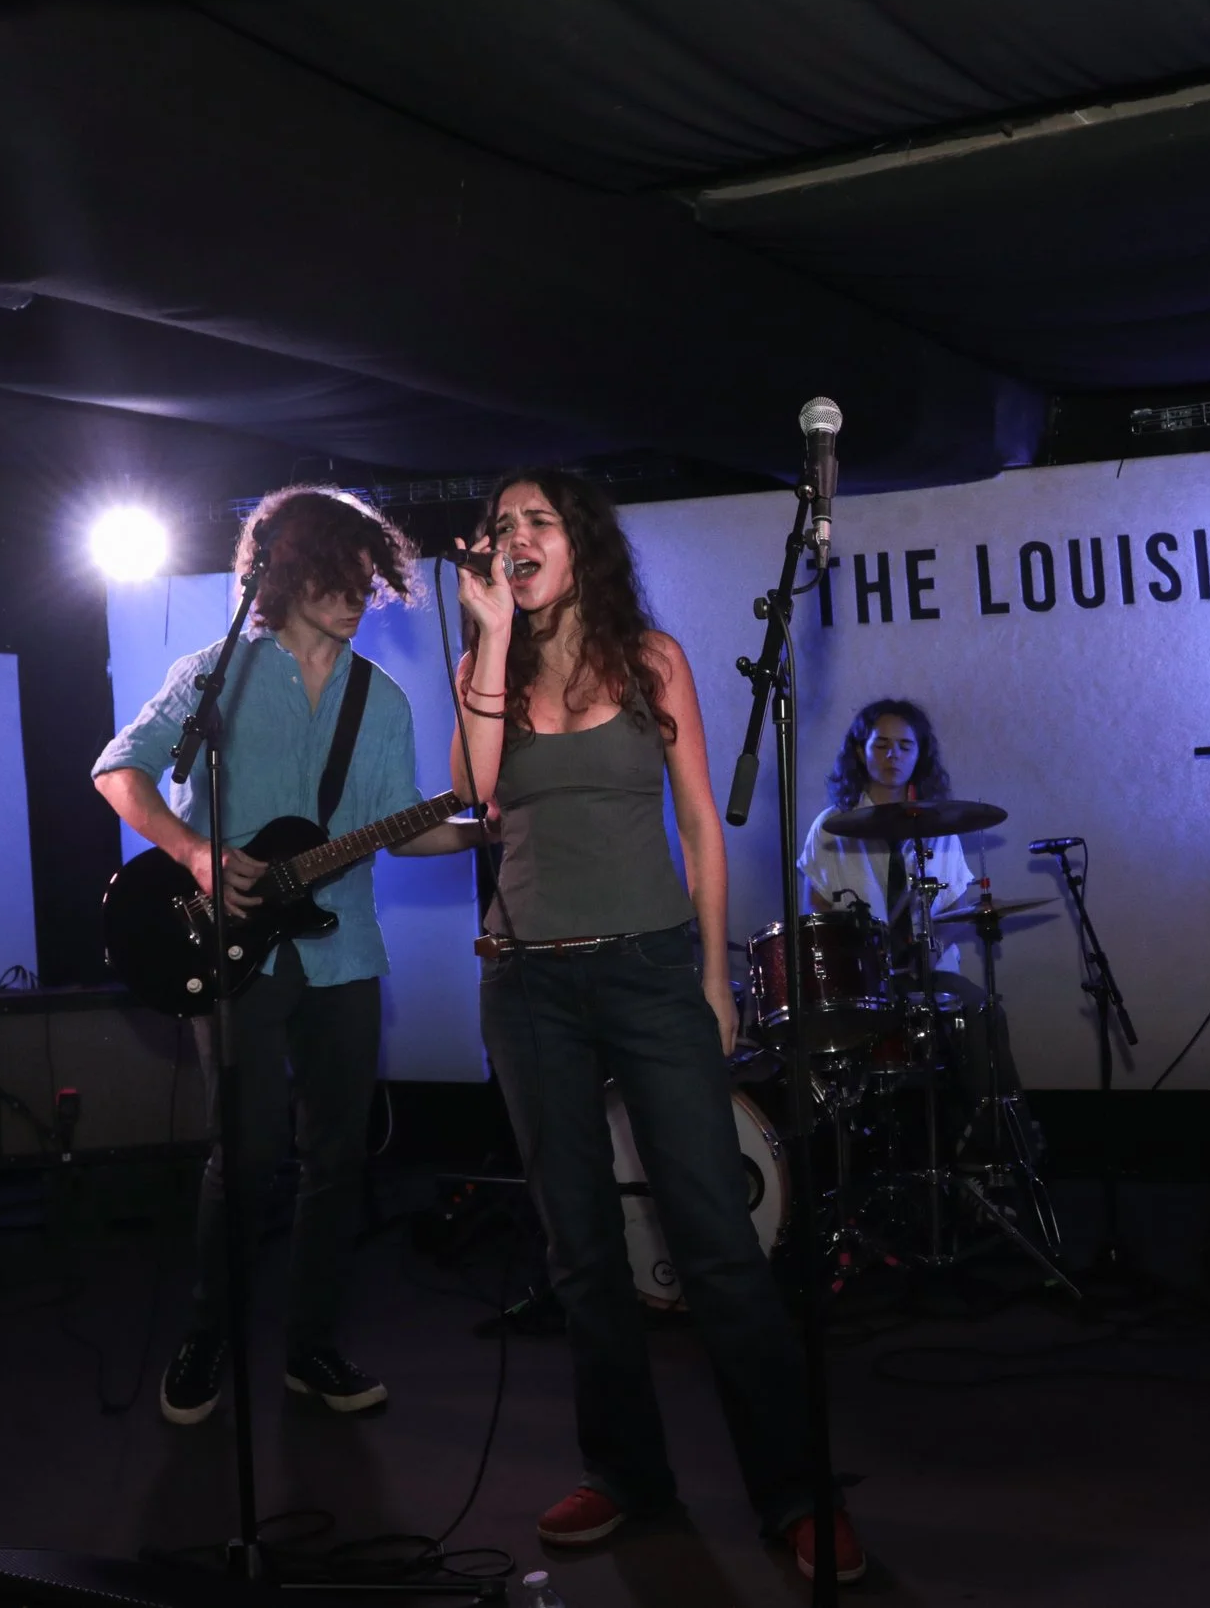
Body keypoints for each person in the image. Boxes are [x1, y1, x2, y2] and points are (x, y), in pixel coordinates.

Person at [450, 469, 863, 1584]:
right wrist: (488, 638)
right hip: (529, 983)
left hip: (647, 971)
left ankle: (792, 1490)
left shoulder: (654, 658)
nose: (516, 539)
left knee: (718, 1244)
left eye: (536, 521)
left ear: (580, 540)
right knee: (583, 1251)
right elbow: (478, 800)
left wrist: (717, 973)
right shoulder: (481, 669)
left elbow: (698, 822)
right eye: (501, 528)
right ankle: (628, 1471)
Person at [95, 486, 483, 1426]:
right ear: (284, 571)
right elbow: (119, 766)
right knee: (248, 1151)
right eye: (335, 573)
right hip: (234, 957)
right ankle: (207, 1334)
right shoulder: (216, 674)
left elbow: (402, 830)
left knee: (337, 1158)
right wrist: (193, 851)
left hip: (344, 955)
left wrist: (481, 829)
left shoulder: (379, 700)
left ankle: (312, 1345)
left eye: (366, 577)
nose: (355, 593)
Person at [800, 700, 977, 977]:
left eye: (905, 746)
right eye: (881, 745)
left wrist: (934, 948)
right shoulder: (829, 826)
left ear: (920, 755)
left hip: (933, 976)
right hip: (859, 980)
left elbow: (958, 905)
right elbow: (815, 907)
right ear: (860, 751)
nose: (893, 755)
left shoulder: (939, 826)